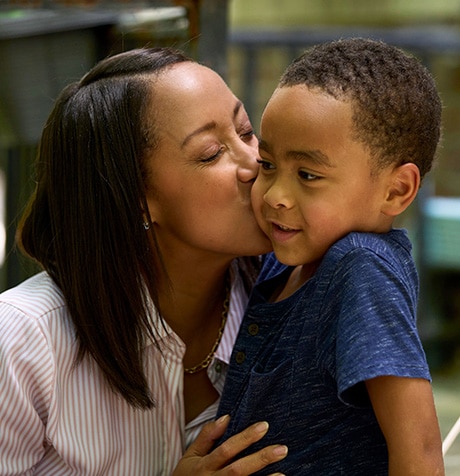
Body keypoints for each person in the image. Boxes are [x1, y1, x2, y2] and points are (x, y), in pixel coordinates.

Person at [0, 47, 289, 475]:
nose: (255, 164)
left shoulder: (296, 295)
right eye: (211, 153)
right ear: (135, 198)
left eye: (246, 132)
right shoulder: (23, 342)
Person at [217, 38, 445, 475]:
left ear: (396, 190)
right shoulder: (284, 261)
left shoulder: (360, 268)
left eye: (308, 175)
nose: (276, 196)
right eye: (267, 165)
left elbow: (419, 450)